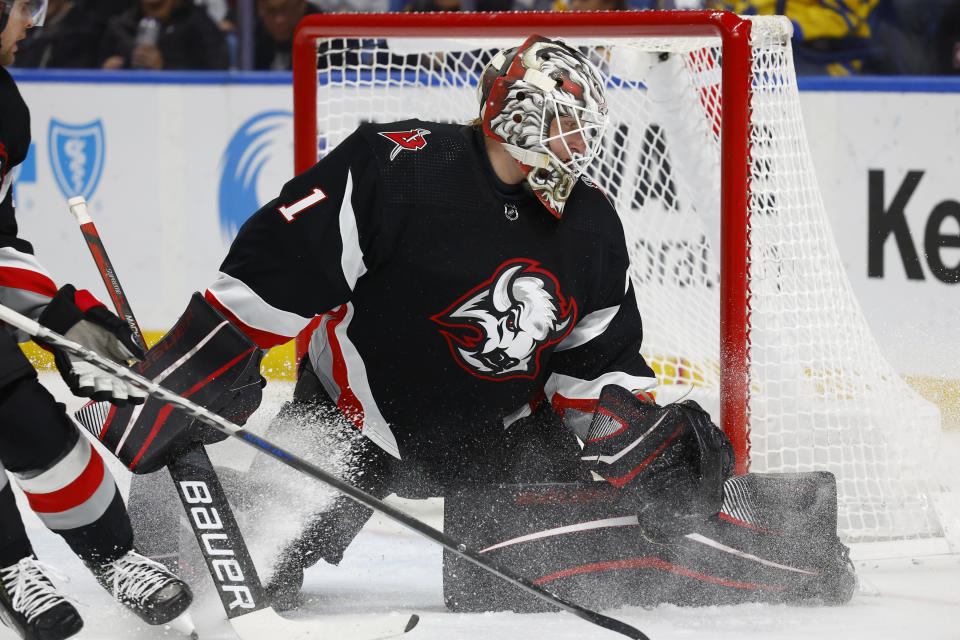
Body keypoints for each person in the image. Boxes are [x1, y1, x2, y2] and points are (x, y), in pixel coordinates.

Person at [120, 35, 853, 613]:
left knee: (515, 580)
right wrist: (191, 382)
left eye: (586, 130)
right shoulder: (393, 171)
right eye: (568, 125)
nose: (582, 146)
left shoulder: (590, 224)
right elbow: (268, 273)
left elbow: (593, 361)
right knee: (247, 566)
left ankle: (793, 531)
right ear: (517, 112)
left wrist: (630, 439)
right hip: (351, 426)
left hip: (501, 444)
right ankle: (166, 509)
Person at [0, 3, 193, 639]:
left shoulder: (4, 105)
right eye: (23, 8)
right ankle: (10, 567)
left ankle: (115, 557)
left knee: (30, 423)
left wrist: (60, 320)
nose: (32, 23)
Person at [99, 0, 229, 70]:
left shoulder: (197, 23)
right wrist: (107, 73)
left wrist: (164, 69)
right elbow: (91, 71)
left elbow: (217, 73)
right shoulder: (120, 26)